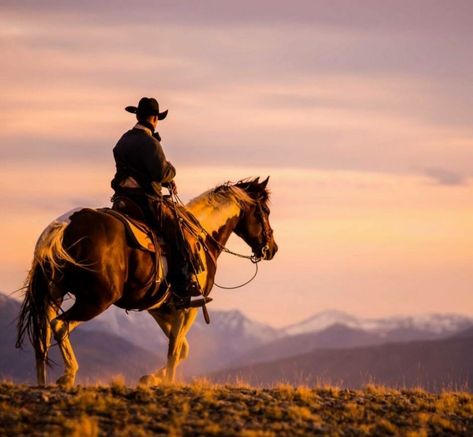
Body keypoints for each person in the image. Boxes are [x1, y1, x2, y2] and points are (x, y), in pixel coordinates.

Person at [111, 97, 207, 309]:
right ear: (155, 118)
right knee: (180, 234)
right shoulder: (150, 143)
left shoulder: (123, 140)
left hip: (122, 200)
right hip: (146, 201)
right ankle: (183, 289)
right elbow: (161, 172)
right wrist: (171, 172)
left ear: (137, 116)